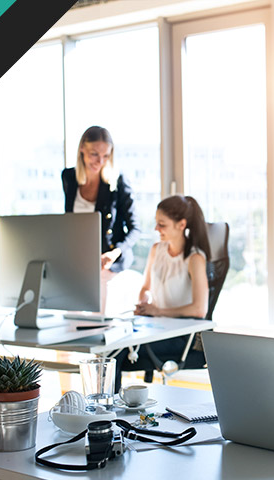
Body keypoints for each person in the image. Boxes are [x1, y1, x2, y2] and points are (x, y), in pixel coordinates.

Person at [114, 194, 211, 390]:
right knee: (110, 346)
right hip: (155, 328)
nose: (156, 229)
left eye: (162, 224)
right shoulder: (156, 249)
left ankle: (105, 411)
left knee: (116, 354)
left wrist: (158, 311)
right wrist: (144, 304)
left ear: (181, 225)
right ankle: (105, 409)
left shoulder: (194, 259)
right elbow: (145, 288)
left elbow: (199, 309)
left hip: (181, 336)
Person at [62, 126, 142, 273]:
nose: (100, 161)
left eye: (106, 156)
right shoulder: (69, 178)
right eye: (94, 154)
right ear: (82, 149)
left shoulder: (118, 181)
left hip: (109, 262)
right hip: (79, 258)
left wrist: (115, 252)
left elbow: (135, 228)